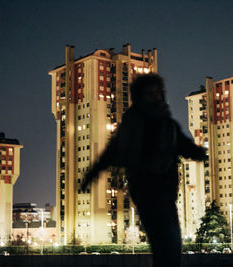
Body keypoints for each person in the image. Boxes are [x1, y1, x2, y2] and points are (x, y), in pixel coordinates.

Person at [81, 73, 206, 267]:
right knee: (166, 244)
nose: (155, 97)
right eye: (149, 93)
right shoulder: (133, 122)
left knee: (171, 246)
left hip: (166, 191)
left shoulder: (167, 124)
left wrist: (200, 153)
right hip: (146, 191)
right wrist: (92, 173)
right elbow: (113, 150)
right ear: (140, 96)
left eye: (157, 93)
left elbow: (183, 144)